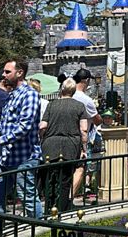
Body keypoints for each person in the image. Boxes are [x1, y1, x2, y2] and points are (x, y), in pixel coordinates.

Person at [0, 59, 44, 218]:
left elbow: (25, 126)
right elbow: (3, 123)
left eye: (7, 72)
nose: (3, 75)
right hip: (7, 158)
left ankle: (40, 229)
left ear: (20, 73)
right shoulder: (11, 95)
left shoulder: (30, 95)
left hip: (24, 157)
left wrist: (0, 140)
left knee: (27, 197)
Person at [40, 78, 89, 212]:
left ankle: (49, 207)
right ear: (73, 91)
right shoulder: (79, 106)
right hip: (70, 145)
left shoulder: (52, 105)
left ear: (62, 89)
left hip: (50, 144)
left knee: (49, 178)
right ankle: (61, 209)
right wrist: (84, 149)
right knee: (65, 179)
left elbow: (43, 126)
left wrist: (42, 140)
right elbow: (83, 130)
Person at [71, 68, 101, 199]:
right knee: (80, 168)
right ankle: (68, 198)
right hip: (80, 140)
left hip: (64, 137)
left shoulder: (66, 94)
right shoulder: (86, 100)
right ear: (86, 81)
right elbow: (97, 120)